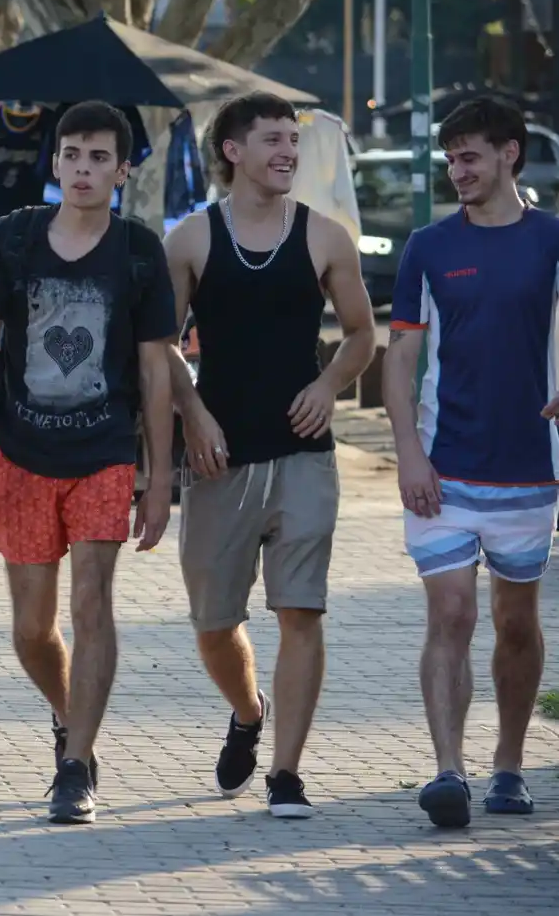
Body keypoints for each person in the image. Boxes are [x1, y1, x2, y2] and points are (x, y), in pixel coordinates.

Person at [0, 101, 177, 823]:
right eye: (73, 154)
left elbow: (155, 371)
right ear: (55, 162)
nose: (84, 168)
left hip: (106, 453)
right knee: (30, 627)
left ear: (122, 168)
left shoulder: (141, 250)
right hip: (19, 451)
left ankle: (76, 764)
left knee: (92, 603)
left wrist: (158, 476)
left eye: (99, 157)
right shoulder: (13, 238)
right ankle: (64, 709)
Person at [163, 92, 375, 819]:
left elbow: (359, 334)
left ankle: (287, 771)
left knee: (300, 611)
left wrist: (327, 383)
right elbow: (156, 343)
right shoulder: (191, 239)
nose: (288, 151)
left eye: (293, 140)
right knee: (213, 622)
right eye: (274, 140)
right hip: (220, 457)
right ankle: (248, 713)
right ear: (233, 150)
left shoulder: (326, 237)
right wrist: (190, 412)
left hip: (304, 453)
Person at [382, 96, 557, 828]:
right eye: (450, 158)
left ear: (510, 154)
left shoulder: (552, 239)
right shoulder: (427, 246)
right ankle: (446, 769)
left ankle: (508, 763)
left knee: (515, 621)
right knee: (450, 611)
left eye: (470, 156)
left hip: (528, 472)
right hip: (443, 471)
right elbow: (400, 356)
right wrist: (409, 455)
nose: (457, 170)